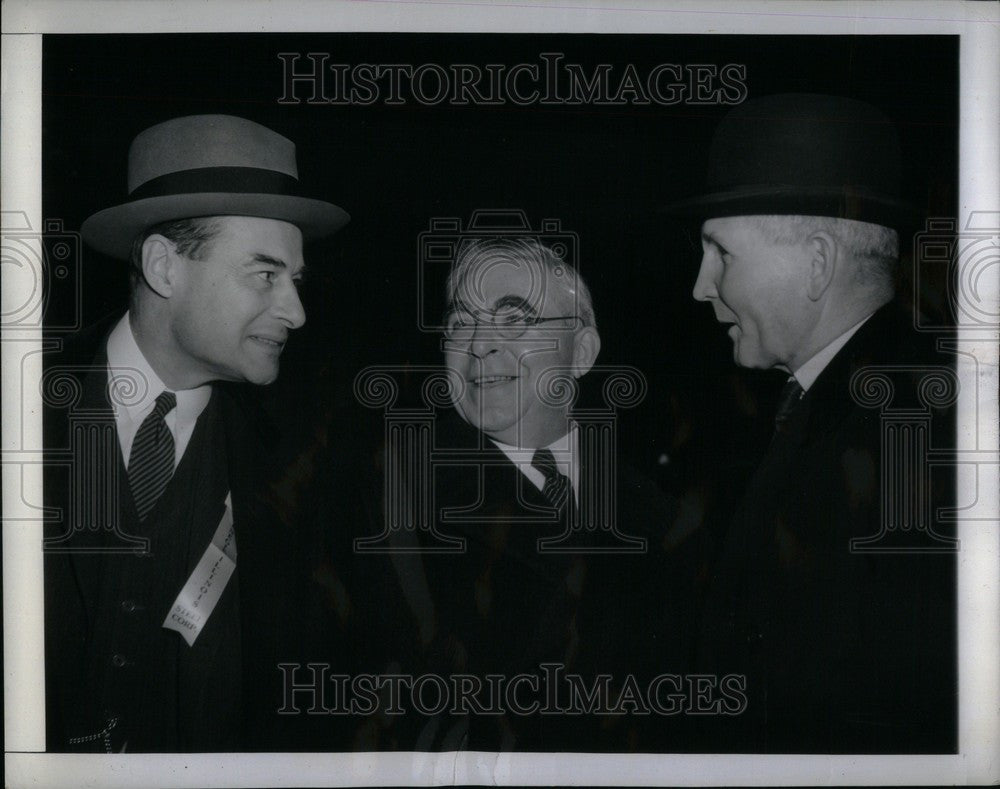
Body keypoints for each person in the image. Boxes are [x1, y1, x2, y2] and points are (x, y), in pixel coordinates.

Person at [43, 114, 349, 752]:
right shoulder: (19, 411)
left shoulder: (301, 459)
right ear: (164, 266)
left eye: (295, 281)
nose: (296, 311)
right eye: (265, 275)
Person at [684, 94, 956, 752]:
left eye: (721, 253)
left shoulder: (899, 445)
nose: (700, 285)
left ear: (817, 261)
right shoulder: (851, 409)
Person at [358, 237, 694, 751]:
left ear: (580, 353)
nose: (479, 343)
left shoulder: (663, 516)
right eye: (459, 323)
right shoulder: (392, 491)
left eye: (513, 319)